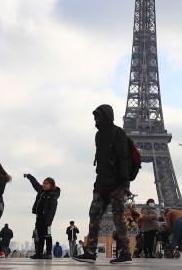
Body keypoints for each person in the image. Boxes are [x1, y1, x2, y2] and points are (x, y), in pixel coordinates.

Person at [73, 104, 132, 264]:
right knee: (94, 215)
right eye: (95, 117)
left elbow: (123, 158)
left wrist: (125, 183)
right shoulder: (98, 135)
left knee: (118, 218)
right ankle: (90, 251)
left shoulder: (118, 132)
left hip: (116, 184)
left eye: (98, 117)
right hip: (101, 183)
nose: (96, 120)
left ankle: (126, 252)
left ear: (107, 116)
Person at [24, 173, 60, 260]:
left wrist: (49, 222)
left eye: (47, 183)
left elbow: (52, 210)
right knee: (39, 236)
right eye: (44, 183)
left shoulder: (53, 195)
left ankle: (48, 253)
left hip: (47, 219)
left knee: (47, 236)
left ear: (51, 185)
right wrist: (29, 176)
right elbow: (35, 183)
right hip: (39, 217)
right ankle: (39, 253)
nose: (44, 185)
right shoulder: (41, 191)